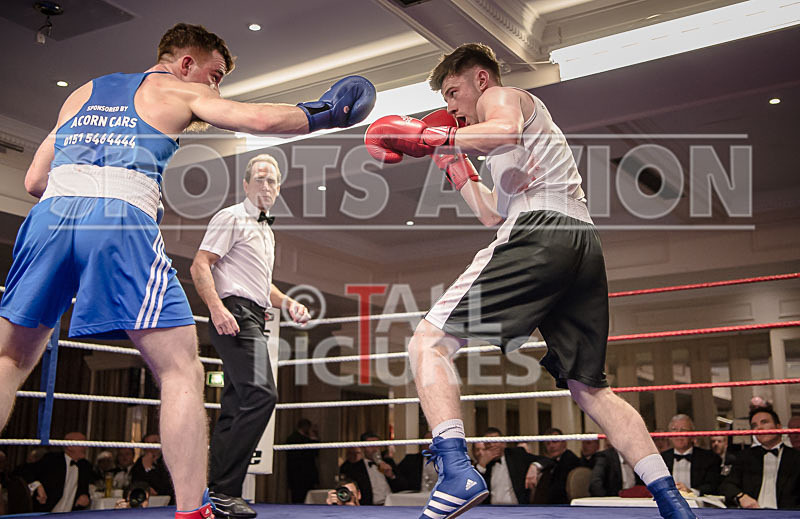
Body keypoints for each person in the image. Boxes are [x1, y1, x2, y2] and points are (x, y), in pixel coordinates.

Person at [0, 21, 375, 519]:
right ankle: (191, 511)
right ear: (186, 63)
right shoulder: (175, 86)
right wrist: (322, 114)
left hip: (49, 217)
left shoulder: (85, 91)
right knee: (180, 370)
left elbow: (32, 181)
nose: (215, 87)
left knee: (9, 361)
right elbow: (252, 120)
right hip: (119, 217)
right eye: (214, 75)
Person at [364, 42, 695, 519]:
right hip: (580, 242)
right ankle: (670, 498)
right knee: (590, 388)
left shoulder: (505, 98)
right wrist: (453, 163)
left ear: (480, 79)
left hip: (541, 232)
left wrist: (430, 138)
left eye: (453, 91)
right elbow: (492, 213)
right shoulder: (501, 144)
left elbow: (502, 131)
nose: (450, 106)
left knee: (427, 342)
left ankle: (456, 471)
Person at [190, 153, 312, 517]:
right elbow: (200, 264)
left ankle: (216, 492)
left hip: (252, 315)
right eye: (259, 178)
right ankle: (226, 490)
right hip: (235, 314)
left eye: (272, 180)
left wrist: (287, 302)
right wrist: (216, 308)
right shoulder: (231, 216)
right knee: (262, 394)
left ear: (278, 188)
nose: (266, 185)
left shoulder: (265, 229)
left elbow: (259, 283)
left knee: (236, 404)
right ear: (245, 184)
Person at [720, 407, 800, 509]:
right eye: (754, 425)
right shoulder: (745, 457)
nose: (759, 428)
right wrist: (741, 497)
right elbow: (726, 485)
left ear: (778, 427)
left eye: (764, 422)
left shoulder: (796, 457)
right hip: (752, 515)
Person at [18, 432, 93, 512]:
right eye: (83, 443)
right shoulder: (52, 459)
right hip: (46, 513)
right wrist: (38, 486)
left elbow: (84, 490)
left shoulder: (85, 466)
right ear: (70, 446)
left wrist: (85, 496)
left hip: (70, 515)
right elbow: (24, 471)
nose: (86, 447)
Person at [474, 427, 552, 504]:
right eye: (488, 442)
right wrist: (482, 465)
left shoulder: (516, 455)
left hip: (517, 509)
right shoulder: (484, 463)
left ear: (503, 443)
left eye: (495, 441)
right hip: (490, 511)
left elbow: (547, 461)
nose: (492, 445)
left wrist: (534, 466)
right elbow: (473, 488)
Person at [661, 414, 721, 496]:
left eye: (683, 430)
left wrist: (691, 492)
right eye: (674, 429)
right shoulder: (660, 458)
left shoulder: (709, 458)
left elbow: (713, 485)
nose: (678, 434)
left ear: (692, 435)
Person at [338, 433, 401, 505]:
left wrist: (391, 475)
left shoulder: (389, 462)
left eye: (377, 445)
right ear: (363, 447)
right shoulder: (355, 468)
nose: (375, 449)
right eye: (371, 445)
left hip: (392, 505)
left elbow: (403, 487)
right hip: (370, 507)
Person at [539, 428, 581, 504]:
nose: (551, 446)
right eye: (548, 443)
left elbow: (558, 491)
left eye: (555, 442)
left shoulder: (570, 460)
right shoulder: (550, 462)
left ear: (564, 443)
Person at [285, 418, 320, 503]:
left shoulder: (291, 438)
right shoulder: (304, 440)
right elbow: (315, 453)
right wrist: (314, 438)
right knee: (302, 499)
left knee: (297, 498)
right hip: (304, 475)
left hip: (295, 474)